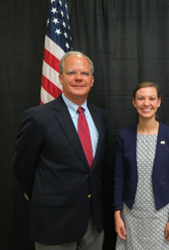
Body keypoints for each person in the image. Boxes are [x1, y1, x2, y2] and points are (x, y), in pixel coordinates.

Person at [12, 51, 108, 249]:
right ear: (60, 77)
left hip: (92, 222)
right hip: (54, 222)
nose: (79, 78)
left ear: (92, 80)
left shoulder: (101, 117)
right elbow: (23, 167)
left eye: (85, 73)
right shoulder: (38, 118)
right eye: (72, 72)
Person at [113, 81, 169, 249]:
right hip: (131, 214)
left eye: (151, 98)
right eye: (141, 98)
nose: (146, 103)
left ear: (159, 102)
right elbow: (119, 177)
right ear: (133, 102)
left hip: (162, 214)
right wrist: (117, 215)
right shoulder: (124, 135)